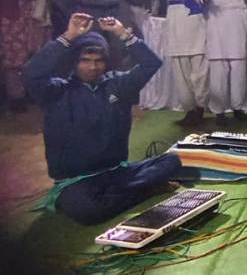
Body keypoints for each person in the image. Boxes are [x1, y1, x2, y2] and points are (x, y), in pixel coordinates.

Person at [24, 13, 180, 225]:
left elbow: (151, 63)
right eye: (85, 61)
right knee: (87, 211)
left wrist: (123, 34)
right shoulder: (56, 92)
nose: (92, 67)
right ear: (74, 62)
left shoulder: (117, 85)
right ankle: (143, 191)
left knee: (171, 161)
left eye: (98, 61)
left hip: (116, 172)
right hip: (77, 180)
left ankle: (119, 193)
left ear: (106, 62)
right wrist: (68, 36)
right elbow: (31, 74)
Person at [140, 0, 209, 126]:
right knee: (181, 71)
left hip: (196, 19)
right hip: (176, 19)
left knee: (200, 70)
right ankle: (189, 110)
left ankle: (201, 107)